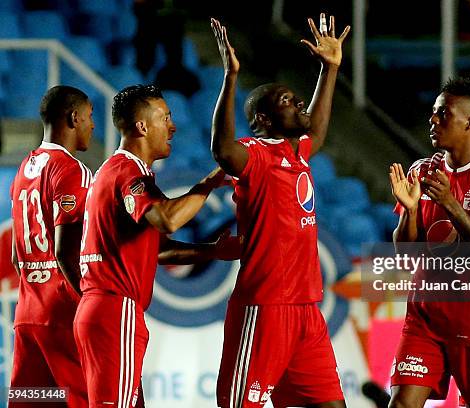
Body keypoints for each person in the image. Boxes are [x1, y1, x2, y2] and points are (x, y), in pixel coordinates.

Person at [210, 14, 350, 408]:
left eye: (297, 98)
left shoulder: (298, 152)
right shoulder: (256, 153)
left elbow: (318, 131)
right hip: (265, 306)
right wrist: (230, 79)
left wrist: (330, 68)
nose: (299, 104)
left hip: (307, 308)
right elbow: (222, 151)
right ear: (263, 121)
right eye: (288, 102)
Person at [74, 84, 239, 407]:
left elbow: (158, 249)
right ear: (142, 126)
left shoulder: (117, 171)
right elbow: (168, 219)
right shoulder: (127, 171)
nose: (173, 126)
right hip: (114, 310)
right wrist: (211, 182)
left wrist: (212, 251)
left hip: (107, 310)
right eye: (165, 117)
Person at [389, 77, 470, 407]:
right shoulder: (422, 169)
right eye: (433, 113)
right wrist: (410, 210)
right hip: (425, 316)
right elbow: (405, 252)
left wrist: (449, 203)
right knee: (402, 403)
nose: (433, 120)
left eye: (443, 114)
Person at [9, 85, 94, 407]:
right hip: (63, 314)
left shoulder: (24, 168)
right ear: (74, 118)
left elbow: (18, 255)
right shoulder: (71, 169)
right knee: (84, 400)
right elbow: (65, 251)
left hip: (28, 314)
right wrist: (88, 304)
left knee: (34, 401)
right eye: (89, 117)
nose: (92, 125)